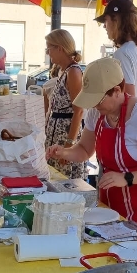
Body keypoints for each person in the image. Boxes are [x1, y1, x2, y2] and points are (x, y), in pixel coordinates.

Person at [46, 57, 137, 251]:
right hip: (116, 198)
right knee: (114, 252)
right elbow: (84, 150)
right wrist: (64, 152)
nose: (94, 106)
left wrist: (127, 178)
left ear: (117, 91)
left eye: (98, 100)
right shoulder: (96, 113)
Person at [96, 0, 137, 106]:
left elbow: (129, 98)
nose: (104, 26)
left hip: (128, 120)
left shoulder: (122, 54)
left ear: (116, 20)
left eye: (106, 20)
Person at [44, 30, 86, 180]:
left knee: (66, 183)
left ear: (60, 48)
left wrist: (69, 146)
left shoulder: (73, 72)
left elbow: (79, 111)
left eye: (49, 48)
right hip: (56, 137)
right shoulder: (63, 71)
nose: (48, 53)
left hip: (65, 137)